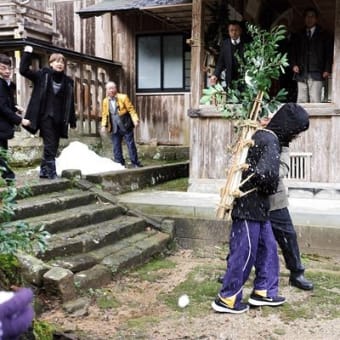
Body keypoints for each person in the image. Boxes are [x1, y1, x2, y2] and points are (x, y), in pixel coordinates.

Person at [212, 103, 310, 314]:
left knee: (268, 249)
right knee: (244, 252)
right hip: (249, 205)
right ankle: (227, 298)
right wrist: (269, 182)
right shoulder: (268, 138)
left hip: (262, 205)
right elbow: (266, 174)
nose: (296, 135)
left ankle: (264, 291)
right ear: (290, 126)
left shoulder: (267, 137)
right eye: (296, 131)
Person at [20, 46, 77, 179]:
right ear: (51, 63)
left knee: (54, 144)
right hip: (45, 116)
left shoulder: (68, 82)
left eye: (62, 62)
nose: (60, 64)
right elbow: (23, 70)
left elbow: (70, 102)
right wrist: (27, 52)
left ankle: (44, 171)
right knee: (50, 143)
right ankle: (51, 171)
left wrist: (72, 120)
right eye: (57, 61)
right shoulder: (43, 75)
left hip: (60, 119)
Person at [269, 147, 313, 291]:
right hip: (251, 199)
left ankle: (296, 273)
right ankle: (234, 272)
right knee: (244, 236)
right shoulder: (249, 135)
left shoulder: (281, 140)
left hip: (275, 199)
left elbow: (284, 168)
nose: (263, 122)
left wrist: (263, 173)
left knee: (288, 236)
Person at [290, 7, 333, 103]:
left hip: (317, 73)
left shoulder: (324, 34)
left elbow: (328, 54)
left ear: (316, 19)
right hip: (301, 72)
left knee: (315, 100)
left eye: (312, 16)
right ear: (304, 19)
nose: (309, 19)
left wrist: (327, 69)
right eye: (307, 16)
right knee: (301, 101)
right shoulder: (298, 34)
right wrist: (294, 64)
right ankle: (300, 119)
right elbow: (293, 52)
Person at [0, 54, 31, 183]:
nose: (7, 71)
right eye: (2, 68)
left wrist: (15, 107)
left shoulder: (8, 84)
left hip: (3, 125)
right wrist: (20, 120)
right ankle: (8, 175)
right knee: (1, 153)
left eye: (9, 68)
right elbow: (2, 107)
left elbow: (7, 103)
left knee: (3, 151)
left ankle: (6, 176)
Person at [101, 81, 142, 168]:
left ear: (116, 89)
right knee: (116, 146)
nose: (111, 90)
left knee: (130, 145)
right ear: (107, 90)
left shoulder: (123, 97)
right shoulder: (105, 101)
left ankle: (135, 163)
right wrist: (103, 125)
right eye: (109, 88)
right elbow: (104, 114)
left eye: (113, 88)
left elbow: (131, 109)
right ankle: (119, 163)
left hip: (125, 125)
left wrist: (135, 120)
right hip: (114, 127)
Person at [210, 21, 245, 89]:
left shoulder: (246, 43)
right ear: (228, 32)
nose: (234, 33)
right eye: (231, 30)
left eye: (236, 30)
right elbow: (221, 62)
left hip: (244, 79)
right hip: (230, 79)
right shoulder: (225, 44)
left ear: (240, 31)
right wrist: (215, 75)